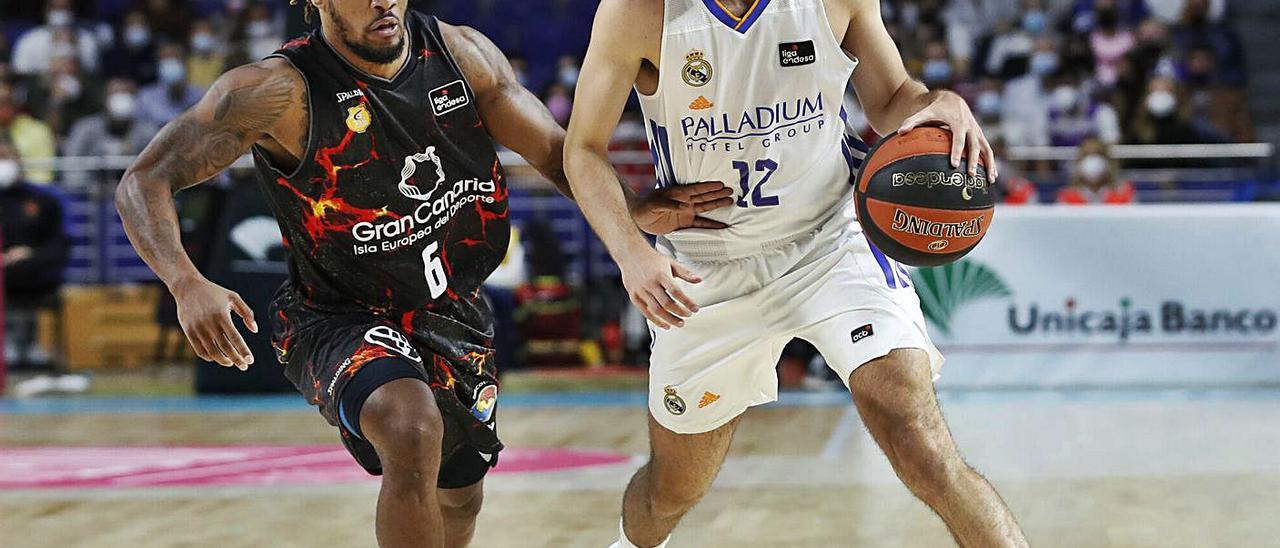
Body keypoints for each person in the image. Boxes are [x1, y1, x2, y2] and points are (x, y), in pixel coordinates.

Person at [115, 1, 721, 546]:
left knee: (460, 492)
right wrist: (185, 281)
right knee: (410, 428)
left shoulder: (460, 54)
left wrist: (635, 208)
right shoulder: (276, 91)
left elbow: (557, 154)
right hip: (336, 314)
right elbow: (145, 179)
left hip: (452, 310)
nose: (384, 2)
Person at [563, 0, 1029, 547]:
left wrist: (943, 102)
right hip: (705, 264)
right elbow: (584, 149)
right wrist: (632, 252)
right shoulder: (638, 12)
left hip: (829, 241)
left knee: (917, 435)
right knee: (671, 490)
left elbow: (893, 99)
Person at [0, 140, 69, 369]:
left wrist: (30, 253)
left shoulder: (44, 201)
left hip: (33, 271)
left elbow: (60, 243)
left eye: (6, 157)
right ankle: (8, 339)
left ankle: (28, 341)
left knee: (23, 269)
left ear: (18, 161)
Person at [1057, 137, 1136, 204]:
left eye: (1097, 154)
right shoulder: (1067, 197)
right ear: (1079, 162)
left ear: (1107, 160)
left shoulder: (1123, 193)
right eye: (1086, 155)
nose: (1092, 161)